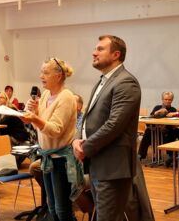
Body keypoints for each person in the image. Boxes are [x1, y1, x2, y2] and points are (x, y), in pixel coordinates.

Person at [72, 35, 141, 221]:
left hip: (113, 166)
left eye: (100, 49)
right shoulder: (103, 80)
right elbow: (87, 117)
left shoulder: (126, 82)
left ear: (116, 54)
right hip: (98, 162)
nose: (94, 52)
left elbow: (114, 125)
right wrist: (77, 138)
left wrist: (85, 147)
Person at [21, 57, 82, 221]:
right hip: (47, 157)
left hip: (61, 159)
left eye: (46, 72)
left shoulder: (66, 97)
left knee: (63, 210)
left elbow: (54, 130)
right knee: (52, 207)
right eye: (41, 72)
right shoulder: (46, 94)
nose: (41, 76)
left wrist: (33, 118)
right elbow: (40, 129)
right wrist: (33, 115)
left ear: (59, 76)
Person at [138, 91, 177, 160]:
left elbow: (173, 124)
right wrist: (157, 112)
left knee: (171, 133)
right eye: (166, 99)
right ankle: (141, 154)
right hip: (155, 129)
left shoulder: (173, 109)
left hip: (166, 131)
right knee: (148, 131)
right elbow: (149, 120)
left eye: (169, 99)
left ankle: (170, 156)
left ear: (172, 100)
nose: (167, 101)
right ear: (162, 100)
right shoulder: (157, 107)